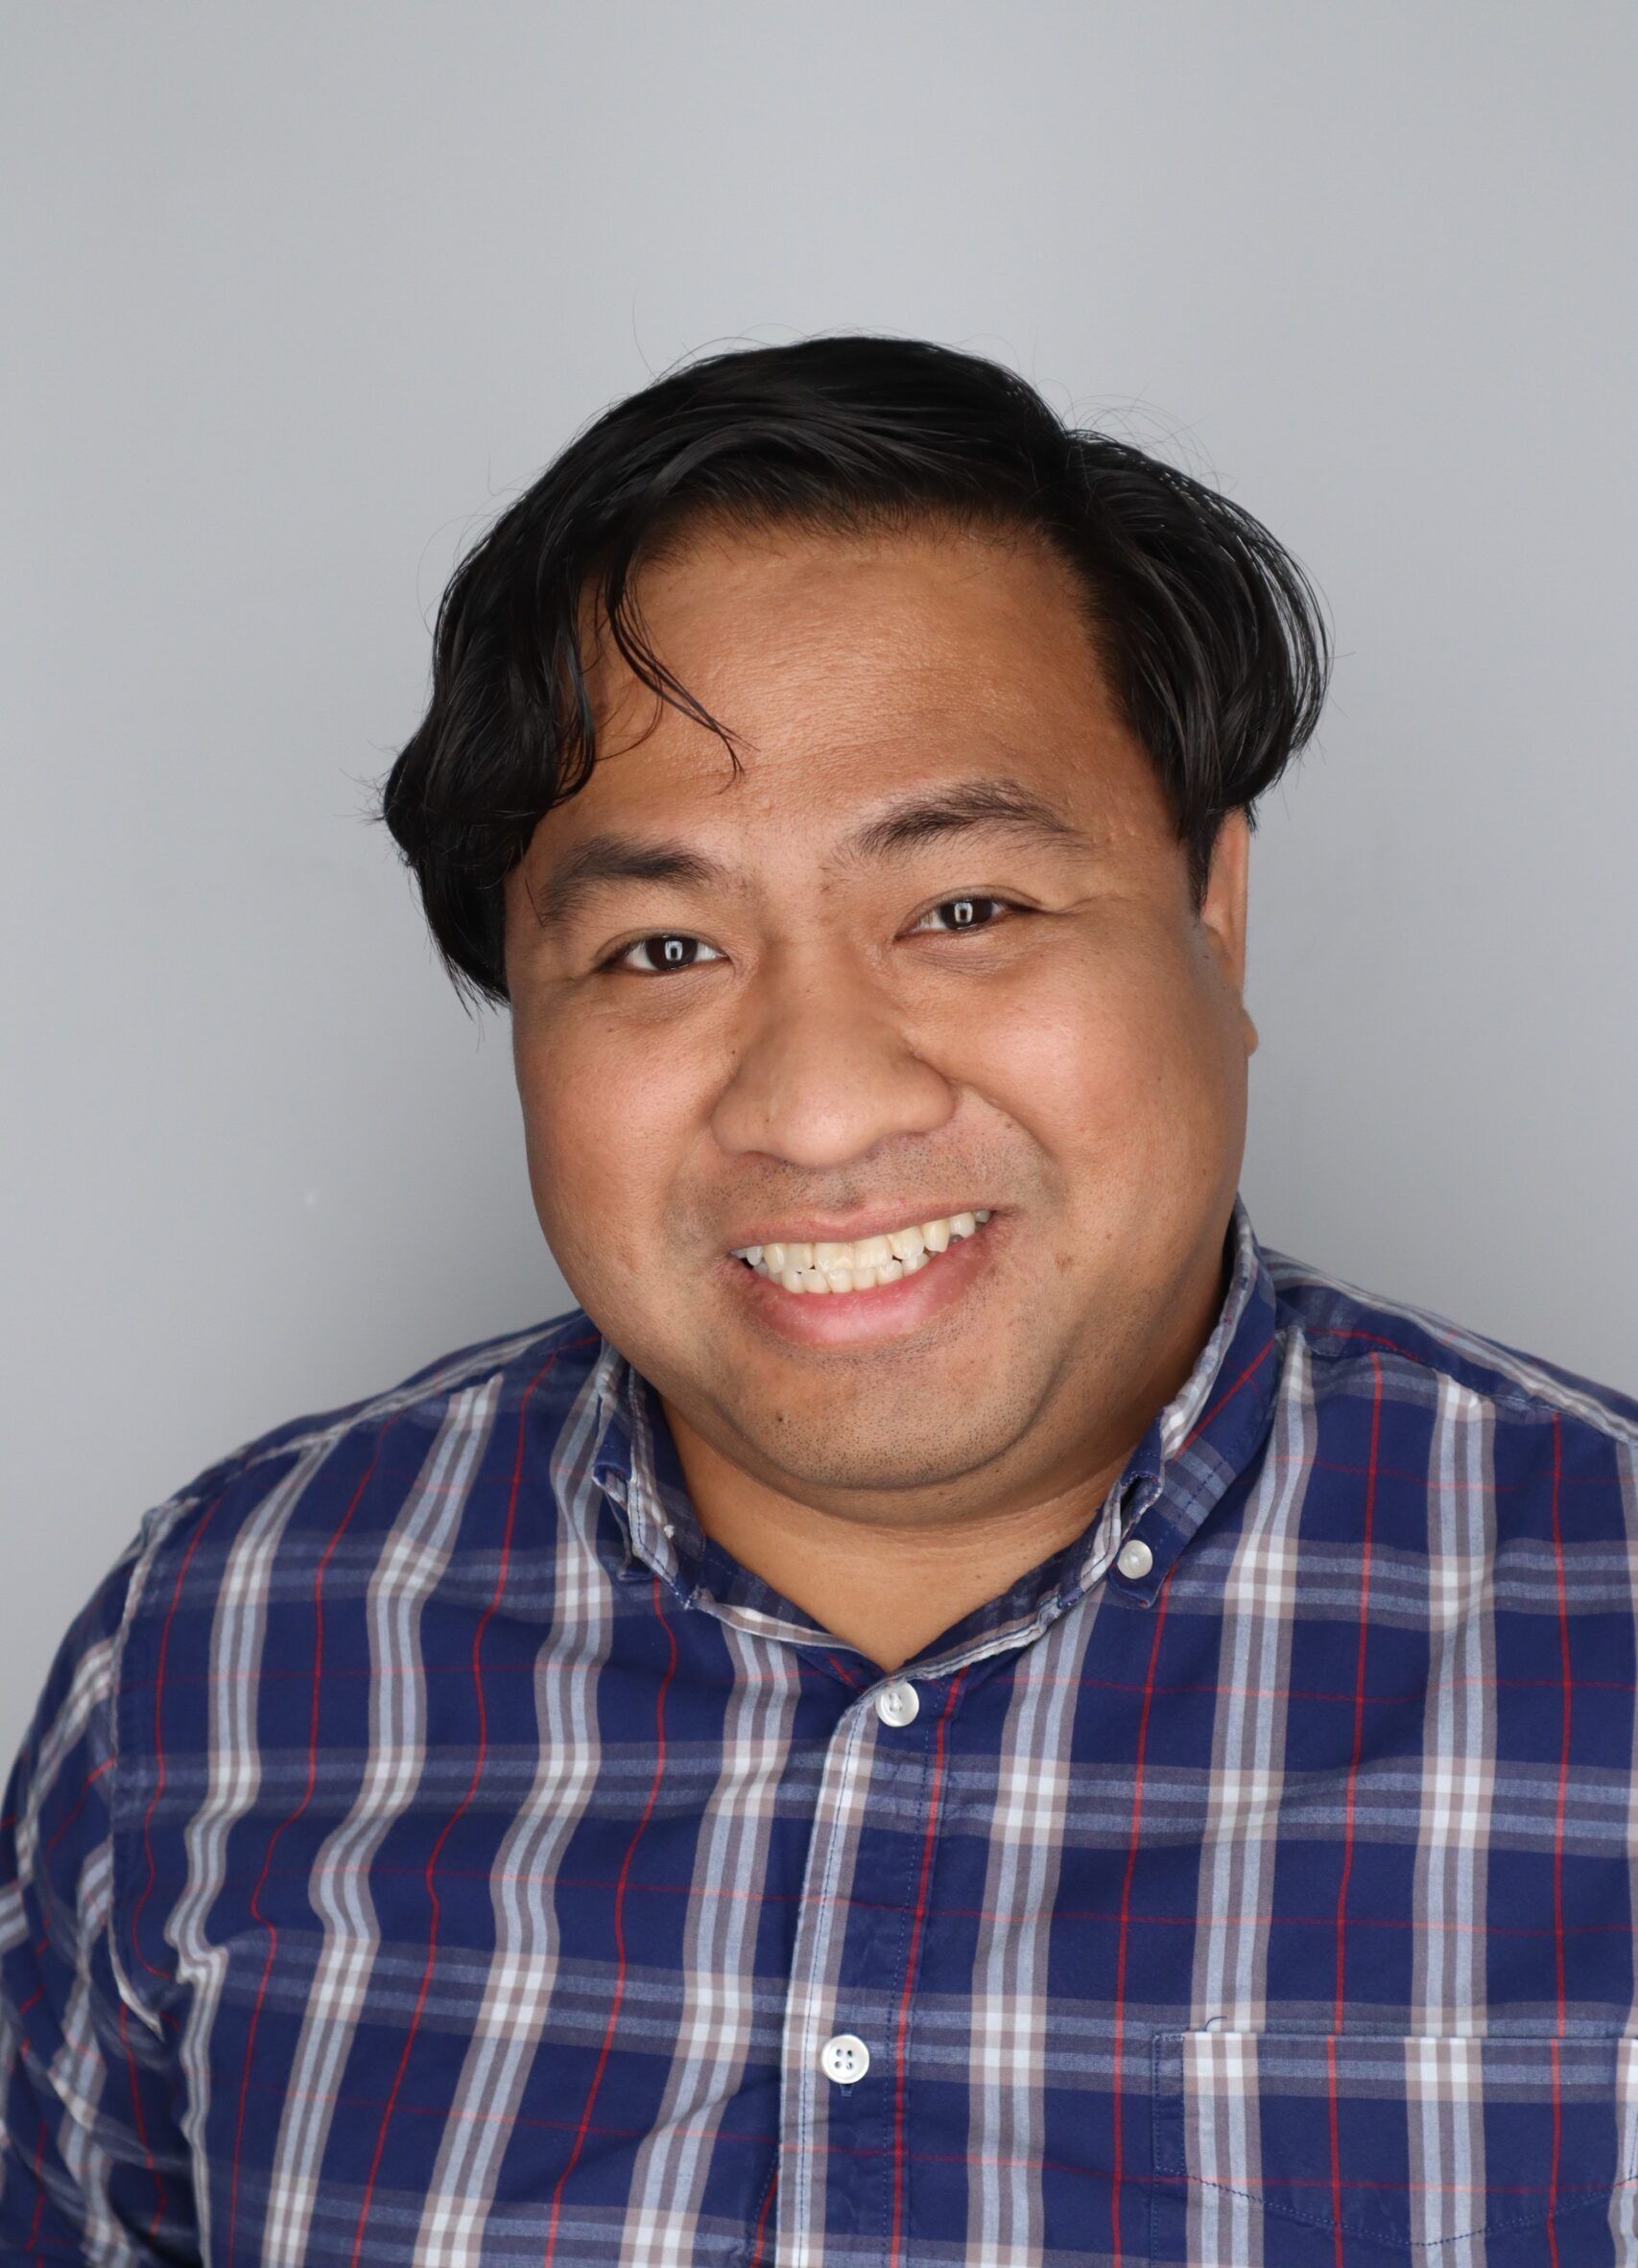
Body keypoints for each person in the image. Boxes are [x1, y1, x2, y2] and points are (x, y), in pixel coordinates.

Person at [3, 336, 1635, 2268]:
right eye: (660, 945)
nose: (818, 1100)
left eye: (961, 909)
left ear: (1214, 915)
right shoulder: (222, 1649)